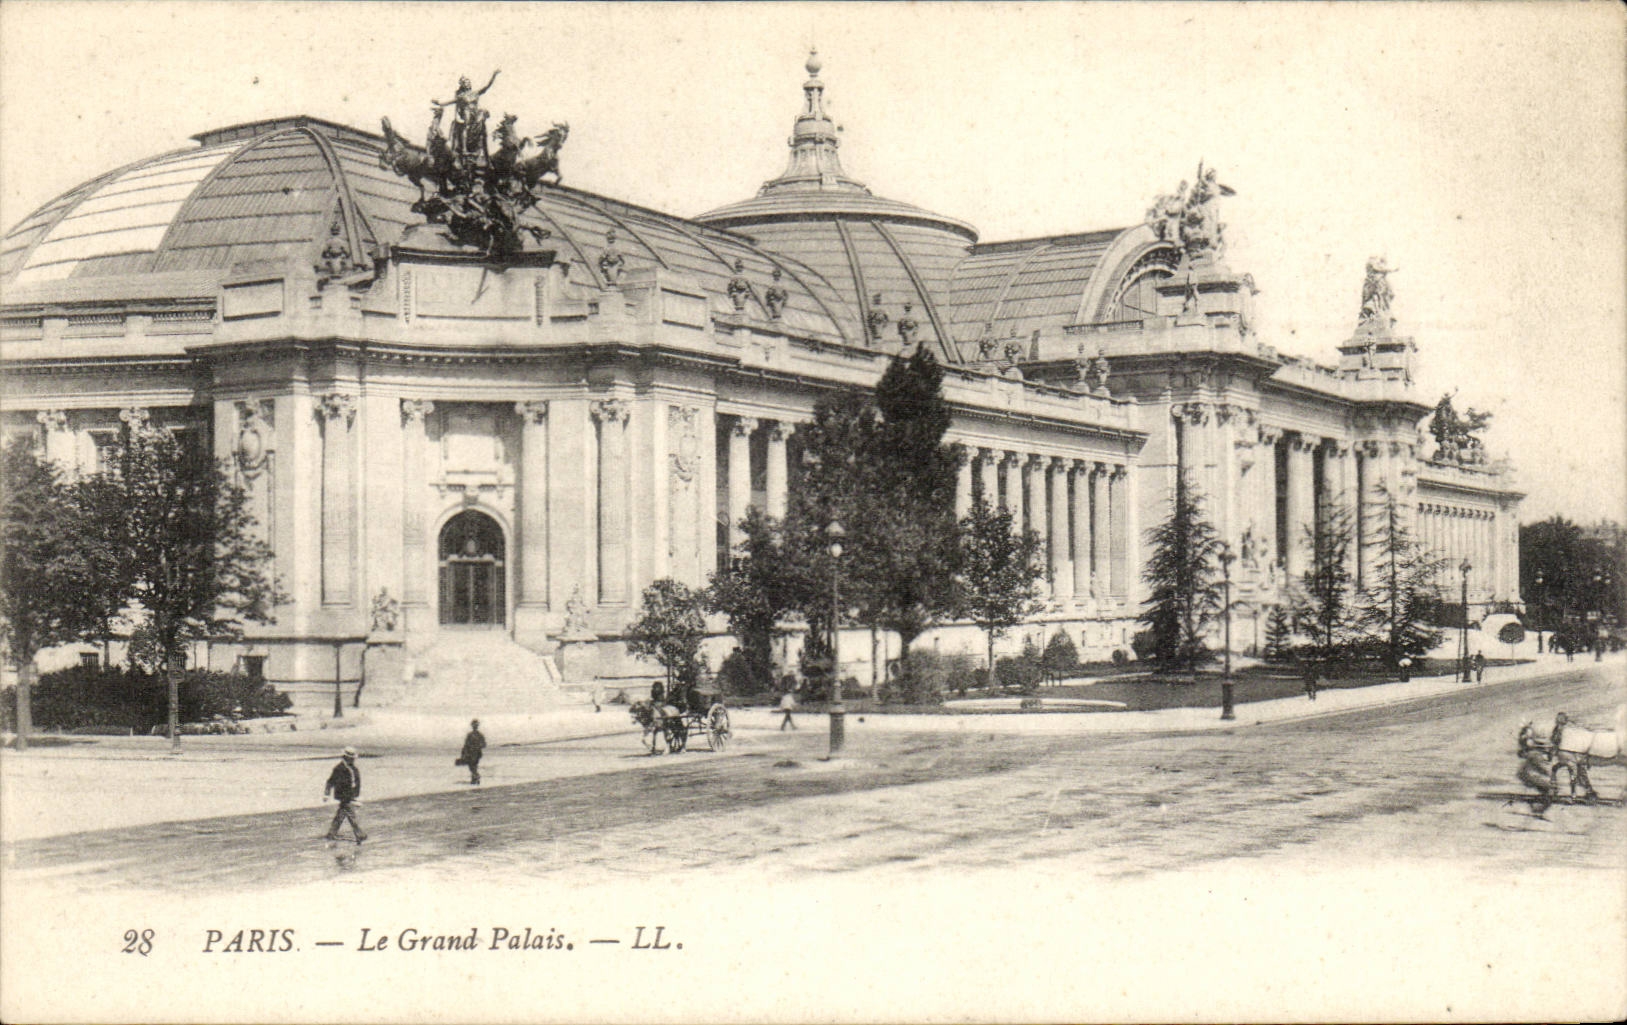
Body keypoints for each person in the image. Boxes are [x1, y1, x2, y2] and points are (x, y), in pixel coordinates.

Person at [323, 747, 366, 843]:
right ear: (346, 757)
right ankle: (359, 834)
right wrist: (326, 794)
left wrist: (357, 796)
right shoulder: (339, 768)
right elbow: (330, 781)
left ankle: (331, 833)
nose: (354, 759)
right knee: (351, 815)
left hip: (350, 795)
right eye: (352, 758)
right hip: (344, 796)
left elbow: (356, 782)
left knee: (341, 815)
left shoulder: (352, 768)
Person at [459, 719, 486, 785]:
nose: (474, 726)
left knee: (472, 765)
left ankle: (475, 776)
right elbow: (466, 744)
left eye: (475, 725)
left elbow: (483, 744)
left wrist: (476, 747)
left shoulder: (476, 735)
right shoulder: (475, 735)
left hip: (475, 753)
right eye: (474, 725)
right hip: (472, 752)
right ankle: (475, 777)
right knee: (473, 765)